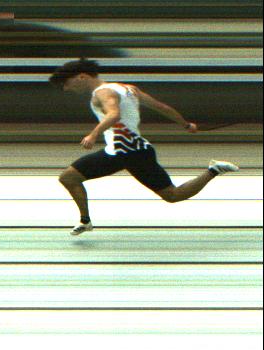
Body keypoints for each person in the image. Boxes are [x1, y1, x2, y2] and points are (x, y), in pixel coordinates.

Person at [49, 59, 240, 235]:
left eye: (67, 83)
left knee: (68, 178)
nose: (66, 88)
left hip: (123, 151)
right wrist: (186, 125)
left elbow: (114, 114)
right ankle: (214, 170)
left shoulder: (102, 93)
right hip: (137, 150)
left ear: (82, 77)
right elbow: (162, 107)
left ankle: (85, 221)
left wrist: (93, 134)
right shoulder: (128, 89)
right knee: (172, 195)